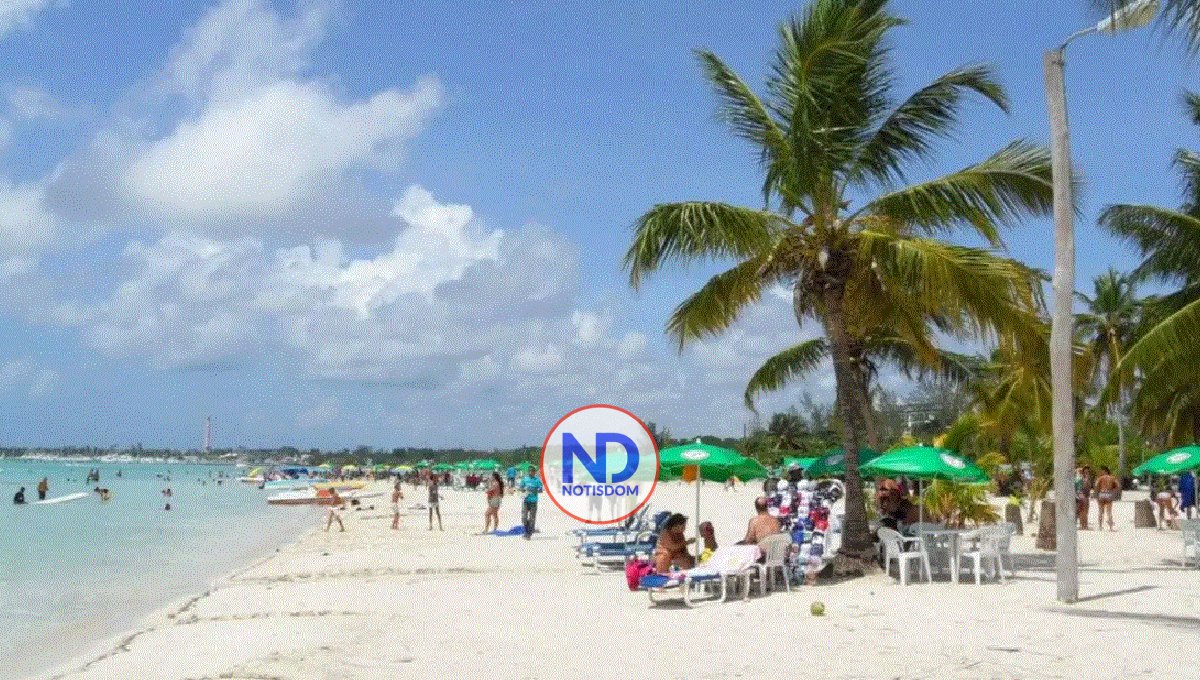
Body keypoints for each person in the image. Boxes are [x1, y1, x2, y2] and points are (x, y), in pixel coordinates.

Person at [519, 469, 543, 539]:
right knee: (524, 517)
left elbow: (541, 490)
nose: (530, 472)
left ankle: (528, 534)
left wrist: (534, 490)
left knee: (532, 518)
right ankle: (527, 531)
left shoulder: (537, 480)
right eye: (529, 471)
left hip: (533, 501)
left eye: (532, 471)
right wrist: (523, 490)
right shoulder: (525, 479)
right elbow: (520, 488)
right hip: (526, 500)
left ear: (534, 472)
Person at [1094, 466, 1119, 531]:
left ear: (1105, 471)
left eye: (1102, 471)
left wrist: (1096, 494)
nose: (1101, 472)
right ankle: (1111, 528)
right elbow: (1118, 485)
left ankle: (1100, 527)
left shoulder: (1100, 478)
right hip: (1109, 494)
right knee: (1109, 512)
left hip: (1101, 494)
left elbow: (1096, 486)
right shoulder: (1112, 478)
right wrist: (1113, 492)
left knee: (1100, 511)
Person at [1075, 466, 1093, 530]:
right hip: (1082, 496)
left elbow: (1089, 487)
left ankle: (1083, 525)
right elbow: (1084, 486)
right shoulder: (1081, 478)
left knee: (1083, 511)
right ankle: (1083, 525)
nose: (1087, 473)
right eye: (1085, 472)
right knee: (1083, 511)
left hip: (1082, 495)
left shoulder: (1079, 478)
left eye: (1087, 472)